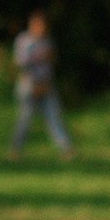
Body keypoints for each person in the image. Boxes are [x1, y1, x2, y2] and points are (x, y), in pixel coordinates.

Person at [10, 10, 73, 159]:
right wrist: (38, 60)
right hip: (28, 84)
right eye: (37, 24)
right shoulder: (24, 40)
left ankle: (66, 148)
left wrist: (45, 83)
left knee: (53, 117)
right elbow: (20, 63)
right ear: (31, 24)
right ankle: (15, 150)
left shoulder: (47, 40)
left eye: (43, 24)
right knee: (24, 118)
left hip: (46, 85)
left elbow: (50, 64)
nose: (40, 27)